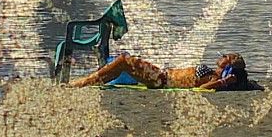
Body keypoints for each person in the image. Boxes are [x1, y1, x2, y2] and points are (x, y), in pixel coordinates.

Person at [69, 51, 256, 91]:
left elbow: (203, 89)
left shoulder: (216, 78)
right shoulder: (215, 73)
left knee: (124, 61)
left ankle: (84, 82)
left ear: (229, 64)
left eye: (226, 56)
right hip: (162, 76)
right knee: (123, 61)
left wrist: (224, 81)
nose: (221, 56)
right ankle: (88, 80)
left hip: (162, 81)